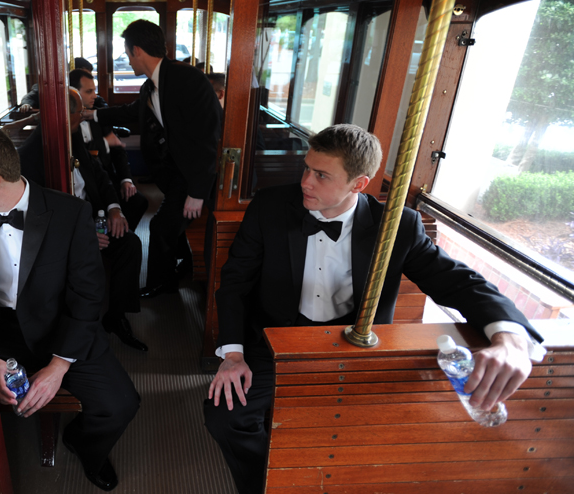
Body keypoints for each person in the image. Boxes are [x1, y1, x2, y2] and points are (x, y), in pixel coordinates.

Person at [203, 124, 544, 494]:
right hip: (275, 344)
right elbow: (235, 281)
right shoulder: (270, 207)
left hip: (356, 350)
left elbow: (459, 283)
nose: (305, 182)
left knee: (400, 429)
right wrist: (233, 354)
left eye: (321, 175)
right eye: (306, 168)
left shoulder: (397, 226)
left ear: (359, 184)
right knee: (225, 417)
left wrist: (510, 336)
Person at [0, 128, 140, 491]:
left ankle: (82, 443)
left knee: (121, 405)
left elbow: (89, 297)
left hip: (61, 327)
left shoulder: (71, 214)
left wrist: (58, 366)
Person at [85, 20, 222, 296]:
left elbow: (209, 138)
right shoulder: (150, 87)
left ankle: (163, 284)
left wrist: (197, 192)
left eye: (126, 54)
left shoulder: (188, 80)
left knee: (160, 227)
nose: (127, 60)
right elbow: (133, 112)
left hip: (192, 177)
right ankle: (181, 263)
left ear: (136, 50)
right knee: (171, 226)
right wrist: (94, 115)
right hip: (173, 176)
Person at [19, 90, 147, 351]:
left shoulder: (73, 135)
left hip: (93, 218)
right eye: (80, 113)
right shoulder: (30, 157)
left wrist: (114, 209)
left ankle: (116, 316)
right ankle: (79, 330)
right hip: (60, 237)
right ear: (64, 116)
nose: (84, 117)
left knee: (129, 244)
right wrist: (83, 235)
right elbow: (36, 217)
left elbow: (99, 175)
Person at [71, 67, 149, 231]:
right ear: (74, 94)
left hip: (108, 179)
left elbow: (119, 151)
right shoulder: (69, 124)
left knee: (138, 201)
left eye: (95, 91)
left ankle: (122, 233)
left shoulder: (99, 114)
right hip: (88, 184)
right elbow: (83, 155)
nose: (95, 96)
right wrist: (104, 143)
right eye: (89, 91)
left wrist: (126, 180)